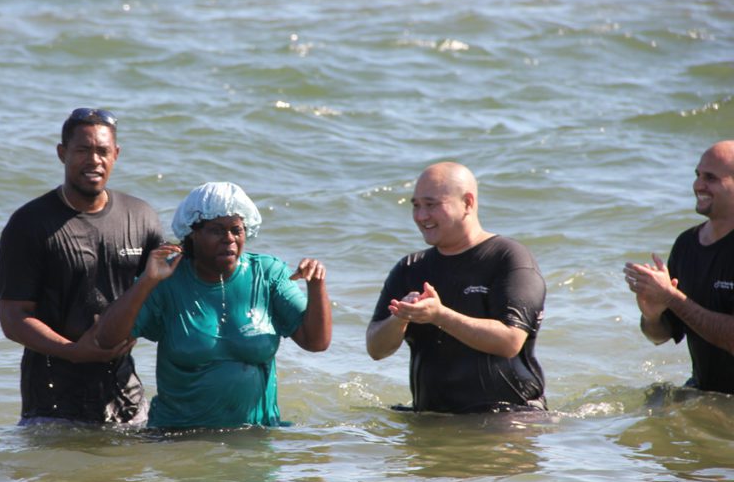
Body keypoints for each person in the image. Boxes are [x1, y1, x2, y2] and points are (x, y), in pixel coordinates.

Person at [96, 182, 331, 429]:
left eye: (236, 230)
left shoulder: (267, 275)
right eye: (217, 230)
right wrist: (147, 281)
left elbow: (316, 342)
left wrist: (316, 286)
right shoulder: (168, 280)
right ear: (192, 234)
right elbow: (106, 338)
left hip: (255, 438)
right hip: (179, 440)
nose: (229, 239)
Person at [0, 108, 165, 425]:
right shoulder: (30, 224)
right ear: (62, 153)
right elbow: (13, 318)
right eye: (82, 150)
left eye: (102, 151)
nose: (94, 160)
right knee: (59, 476)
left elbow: (168, 289)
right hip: (52, 403)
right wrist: (74, 351)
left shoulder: (142, 218)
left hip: (127, 397)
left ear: (116, 154)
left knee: (130, 475)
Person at [366, 162, 547, 414]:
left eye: (431, 205)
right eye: (416, 205)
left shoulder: (509, 258)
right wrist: (400, 319)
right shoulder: (411, 268)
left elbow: (510, 340)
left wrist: (440, 316)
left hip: (508, 419)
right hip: (431, 420)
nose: (420, 216)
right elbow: (375, 349)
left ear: (468, 203)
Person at [624, 140, 734, 394]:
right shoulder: (687, 244)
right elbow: (660, 335)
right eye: (697, 175)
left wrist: (672, 298)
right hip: (705, 390)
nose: (698, 185)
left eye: (711, 177)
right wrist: (652, 314)